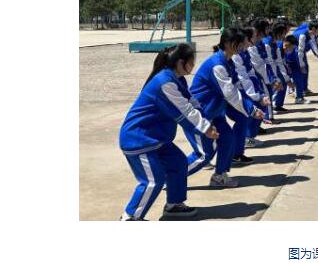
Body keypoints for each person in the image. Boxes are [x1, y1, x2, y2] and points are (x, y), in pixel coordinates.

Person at [119, 43, 218, 221]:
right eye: (191, 61)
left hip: (157, 138)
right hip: (139, 139)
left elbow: (192, 103)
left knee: (178, 163)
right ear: (180, 62)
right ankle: (130, 217)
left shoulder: (177, 79)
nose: (193, 65)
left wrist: (206, 121)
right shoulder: (165, 82)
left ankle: (174, 205)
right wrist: (205, 128)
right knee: (152, 180)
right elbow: (184, 111)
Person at [185, 28, 265, 187]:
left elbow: (236, 88)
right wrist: (251, 110)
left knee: (228, 138)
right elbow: (231, 94)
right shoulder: (217, 65)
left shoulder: (229, 62)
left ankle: (219, 176)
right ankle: (171, 176)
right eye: (239, 43)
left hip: (214, 112)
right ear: (228, 44)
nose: (243, 46)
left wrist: (252, 105)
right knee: (204, 154)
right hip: (200, 114)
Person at [293, 19, 318, 95]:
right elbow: (300, 51)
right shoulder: (303, 35)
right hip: (294, 53)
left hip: (299, 52)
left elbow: (314, 45)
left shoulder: (310, 34)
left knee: (304, 69)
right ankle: (295, 90)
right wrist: (301, 65)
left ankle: (303, 89)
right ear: (314, 29)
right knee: (298, 71)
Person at [283, 33, 308, 104]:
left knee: (299, 81)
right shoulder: (281, 49)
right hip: (286, 66)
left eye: (287, 46)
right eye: (285, 45)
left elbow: (299, 59)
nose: (286, 47)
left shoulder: (296, 50)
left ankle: (299, 97)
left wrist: (302, 67)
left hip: (295, 66)